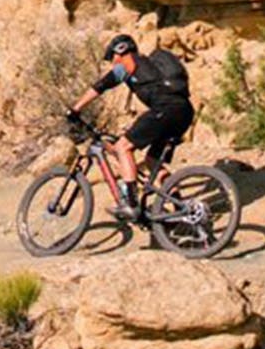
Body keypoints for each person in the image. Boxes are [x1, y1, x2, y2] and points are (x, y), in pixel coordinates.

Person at [67, 33, 193, 217]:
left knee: (123, 147)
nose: (113, 63)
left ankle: (131, 204)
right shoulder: (148, 67)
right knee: (152, 162)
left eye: (112, 57)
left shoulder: (129, 61)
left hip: (166, 109)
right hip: (184, 111)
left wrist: (75, 109)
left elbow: (101, 85)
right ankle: (181, 207)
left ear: (121, 51)